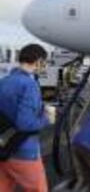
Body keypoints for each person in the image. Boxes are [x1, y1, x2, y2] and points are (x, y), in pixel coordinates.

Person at [0, 44, 53, 192]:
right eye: (45, 62)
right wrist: (46, 119)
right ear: (38, 60)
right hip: (23, 150)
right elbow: (25, 124)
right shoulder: (29, 84)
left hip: (4, 146)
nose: (46, 65)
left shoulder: (5, 80)